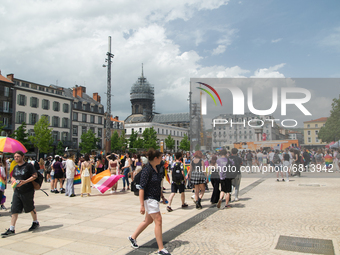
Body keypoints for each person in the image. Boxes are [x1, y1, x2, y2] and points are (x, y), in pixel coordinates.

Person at [128, 149, 171, 255]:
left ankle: (132, 237)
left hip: (155, 198)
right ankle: (161, 249)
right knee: (158, 220)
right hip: (149, 198)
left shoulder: (156, 168)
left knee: (148, 221)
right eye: (161, 157)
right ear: (155, 158)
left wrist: (162, 196)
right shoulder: (147, 170)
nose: (162, 159)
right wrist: (142, 205)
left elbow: (157, 185)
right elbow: (142, 188)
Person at [1, 151, 39, 236]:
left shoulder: (28, 166)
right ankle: (12, 228)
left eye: (18, 156)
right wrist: (13, 180)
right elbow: (13, 176)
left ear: (23, 156)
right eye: (15, 156)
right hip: (17, 191)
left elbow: (35, 175)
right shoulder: (15, 167)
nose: (16, 158)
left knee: (30, 207)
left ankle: (35, 222)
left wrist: (25, 181)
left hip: (27, 190)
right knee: (14, 209)